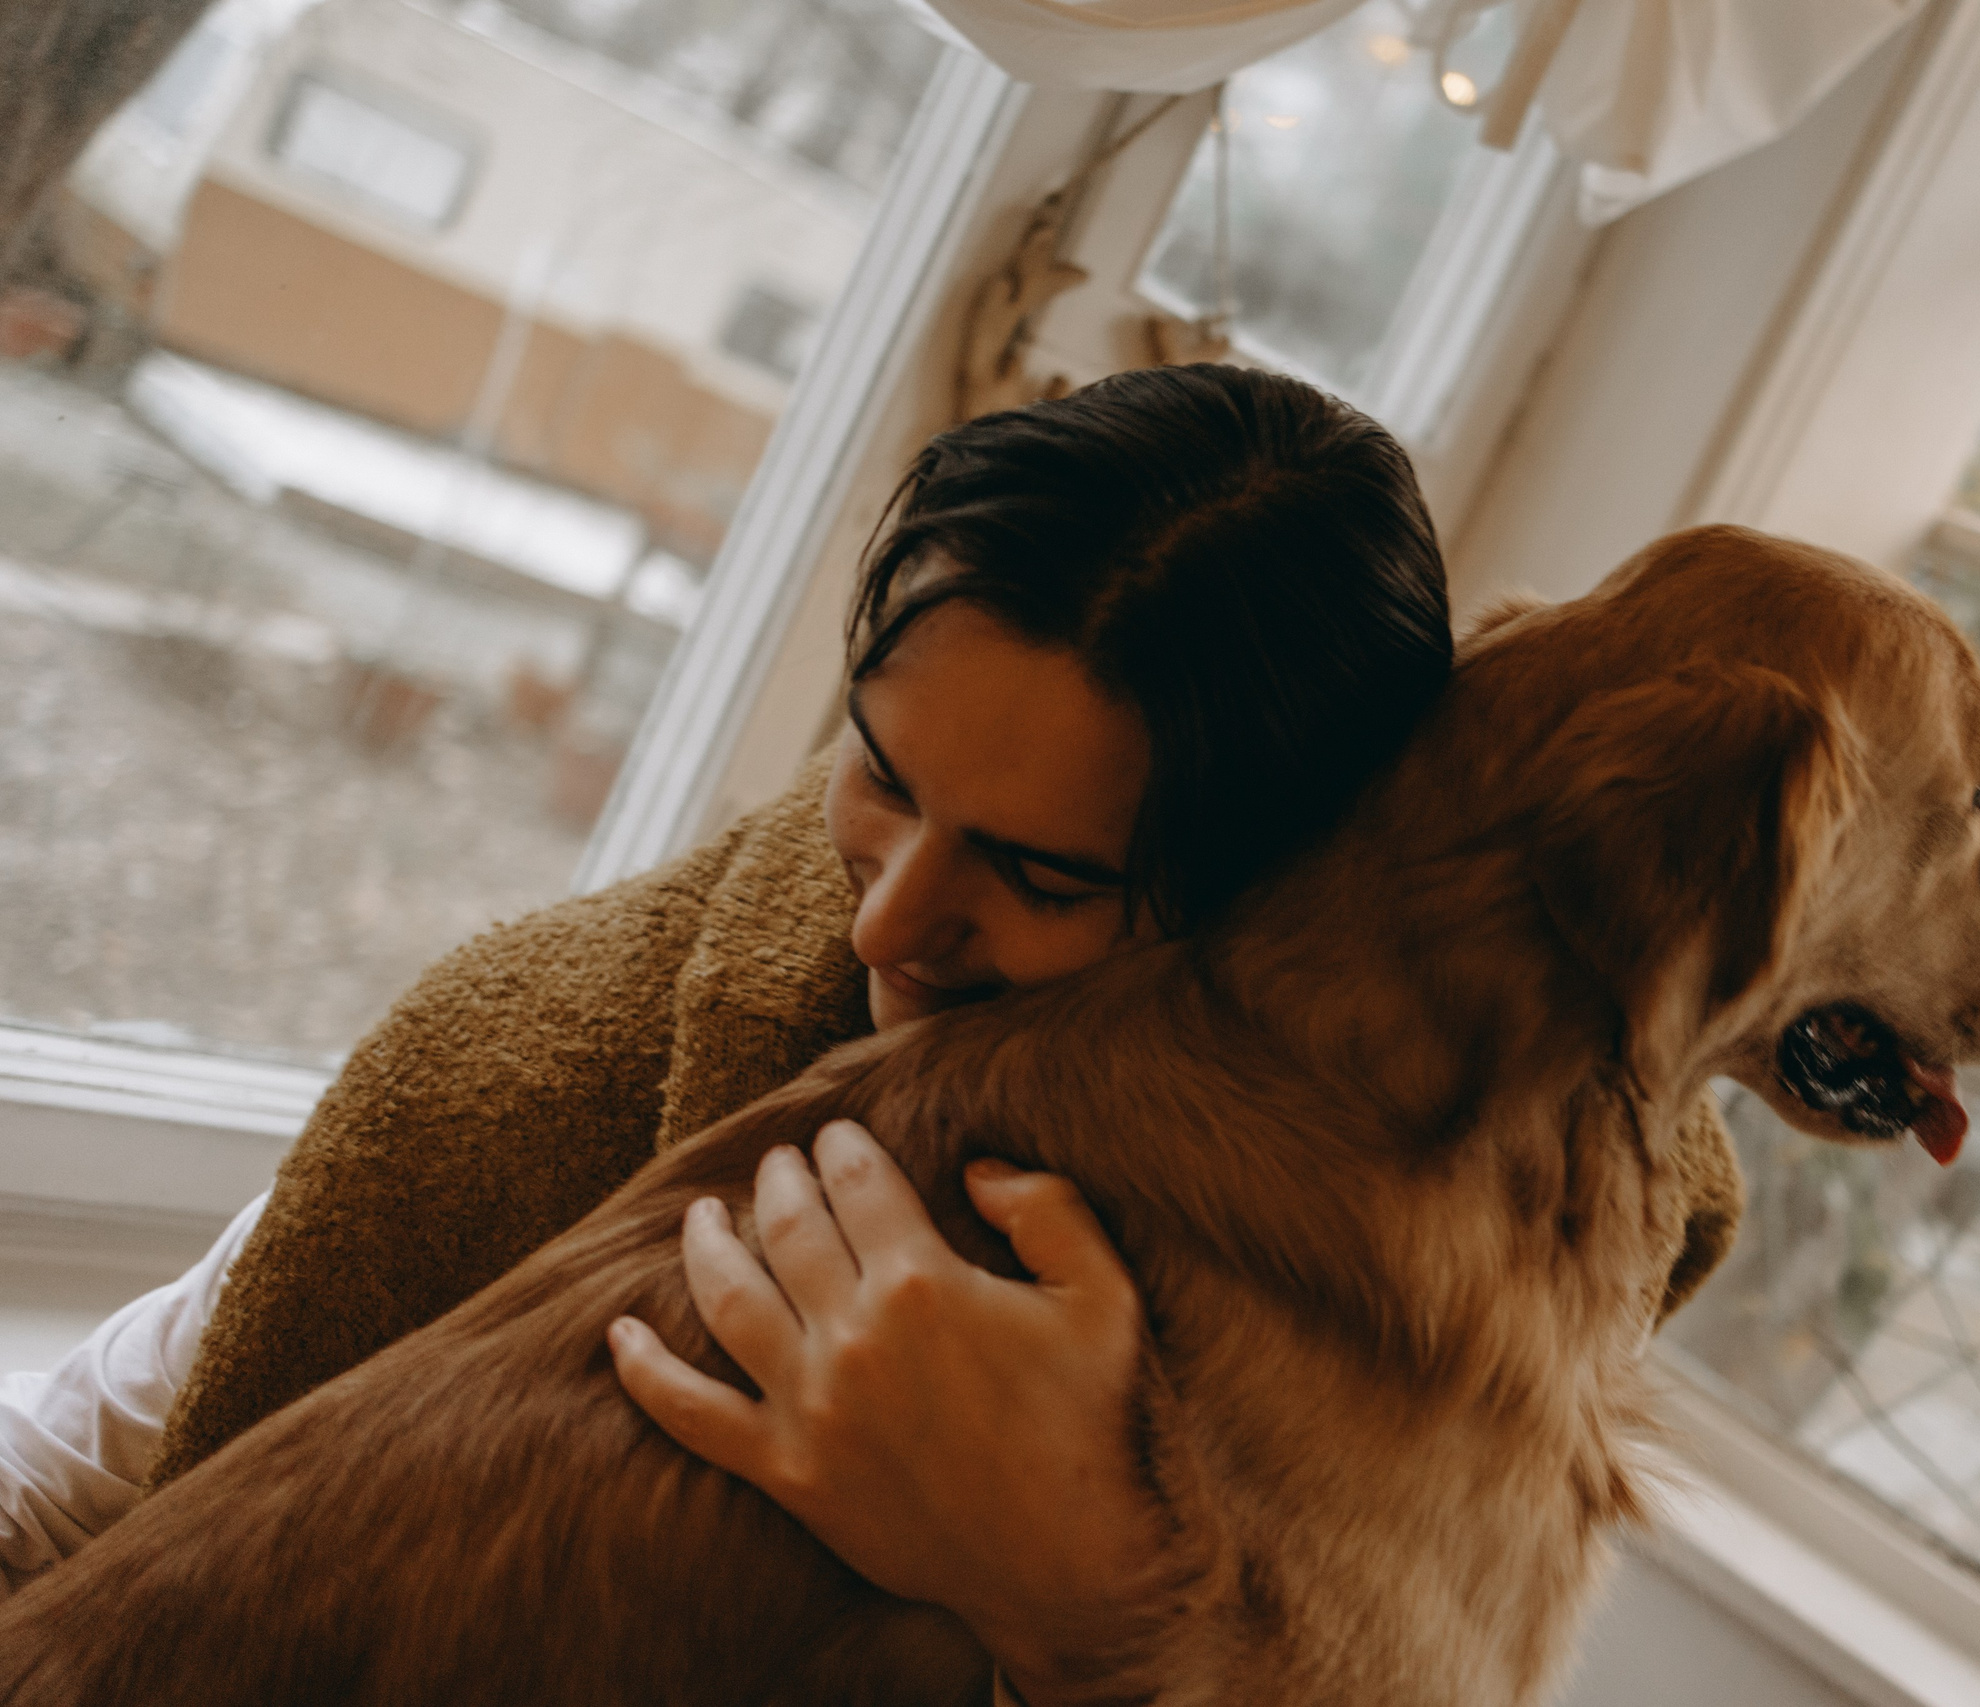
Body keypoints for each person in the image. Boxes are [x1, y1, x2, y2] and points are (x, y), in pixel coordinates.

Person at [0, 363, 1453, 1700]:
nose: (890, 928)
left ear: (1272, 905)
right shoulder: (528, 1072)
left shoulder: (1379, 1303)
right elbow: (66, 1488)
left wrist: (1079, 1602)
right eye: (882, 774)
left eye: (1043, 874)